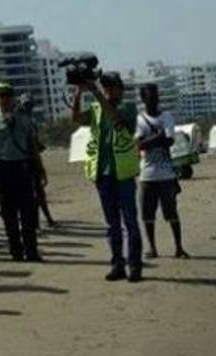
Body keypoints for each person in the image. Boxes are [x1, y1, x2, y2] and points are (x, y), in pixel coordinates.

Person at [73, 72, 143, 281]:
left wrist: (96, 93)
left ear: (121, 89)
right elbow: (76, 119)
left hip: (123, 174)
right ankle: (117, 264)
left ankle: (135, 266)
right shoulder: (96, 109)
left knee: (130, 222)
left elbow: (116, 119)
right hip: (103, 173)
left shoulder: (128, 108)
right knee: (112, 223)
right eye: (105, 87)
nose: (108, 90)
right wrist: (78, 94)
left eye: (111, 86)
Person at [0, 81, 45, 262]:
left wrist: (40, 169)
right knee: (9, 214)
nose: (4, 99)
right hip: (2, 169)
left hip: (22, 168)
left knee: (28, 213)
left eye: (7, 95)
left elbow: (32, 146)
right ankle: (16, 250)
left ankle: (31, 250)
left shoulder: (25, 119)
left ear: (13, 97)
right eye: (1, 95)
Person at [136, 83, 189, 259]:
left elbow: (169, 141)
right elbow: (140, 145)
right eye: (150, 97)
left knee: (172, 212)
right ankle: (152, 248)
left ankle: (179, 247)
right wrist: (158, 137)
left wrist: (153, 140)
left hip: (166, 174)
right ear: (143, 99)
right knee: (147, 214)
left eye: (156, 96)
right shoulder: (139, 119)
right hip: (147, 175)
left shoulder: (167, 116)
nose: (154, 100)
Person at [18, 93, 57, 230]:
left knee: (36, 193)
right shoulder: (25, 121)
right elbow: (33, 145)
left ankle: (42, 220)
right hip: (26, 161)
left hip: (26, 161)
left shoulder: (27, 121)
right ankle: (39, 220)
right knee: (35, 194)